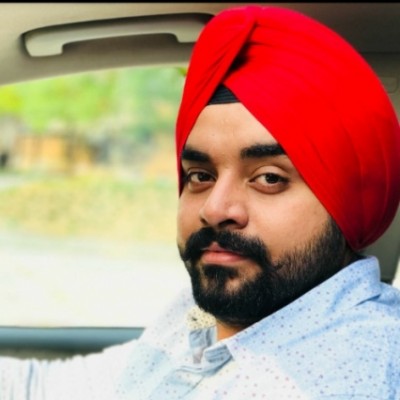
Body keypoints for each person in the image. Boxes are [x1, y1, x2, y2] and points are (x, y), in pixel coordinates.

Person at [1, 4, 400, 399]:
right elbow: (47, 386)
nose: (214, 209)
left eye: (269, 178)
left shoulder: (342, 377)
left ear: (347, 206)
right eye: (200, 176)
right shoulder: (220, 311)